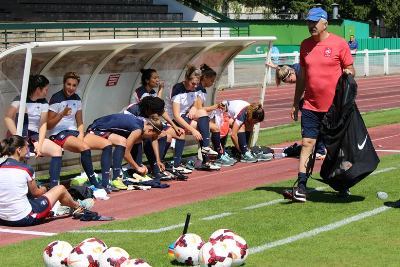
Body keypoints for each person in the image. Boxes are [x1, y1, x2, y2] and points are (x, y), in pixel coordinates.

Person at [286, 7, 355, 202]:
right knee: (308, 143)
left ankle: (342, 182)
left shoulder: (339, 44)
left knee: (335, 147)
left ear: (325, 23)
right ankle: (301, 186)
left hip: (334, 107)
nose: (311, 25)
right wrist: (294, 103)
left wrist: (347, 80)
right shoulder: (305, 45)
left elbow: (350, 70)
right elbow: (302, 77)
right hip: (310, 105)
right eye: (309, 22)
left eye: (314, 22)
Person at [0, 135, 93, 227]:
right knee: (60, 189)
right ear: (19, 150)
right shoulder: (26, 169)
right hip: (24, 218)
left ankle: (62, 206)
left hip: (3, 219)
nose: (28, 149)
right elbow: (36, 193)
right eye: (27, 147)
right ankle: (78, 206)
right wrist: (45, 188)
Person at [47, 72, 114, 192]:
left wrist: (81, 135)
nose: (71, 88)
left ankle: (105, 183)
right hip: (58, 134)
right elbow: (48, 125)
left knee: (107, 144)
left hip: (74, 132)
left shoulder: (77, 99)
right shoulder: (56, 98)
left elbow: (80, 122)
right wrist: (62, 114)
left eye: (74, 85)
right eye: (69, 84)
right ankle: (94, 183)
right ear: (64, 84)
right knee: (85, 147)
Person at [4, 75, 64, 188]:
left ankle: (54, 187)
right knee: (22, 155)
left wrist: (40, 145)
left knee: (57, 150)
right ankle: (23, 188)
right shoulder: (20, 99)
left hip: (34, 136)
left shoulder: (44, 103)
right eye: (46, 89)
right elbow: (8, 117)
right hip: (20, 135)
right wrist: (18, 137)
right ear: (38, 89)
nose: (47, 92)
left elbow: (43, 124)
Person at [87, 113, 168, 188]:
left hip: (102, 128)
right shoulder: (137, 130)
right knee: (121, 141)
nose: (150, 138)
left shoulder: (141, 125)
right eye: (152, 136)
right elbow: (126, 153)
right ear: (150, 130)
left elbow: (153, 139)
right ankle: (116, 178)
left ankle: (137, 173)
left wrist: (157, 160)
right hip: (95, 129)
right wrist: (137, 168)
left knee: (137, 140)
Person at [266, 61, 326, 159]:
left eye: (290, 81)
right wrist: (275, 66)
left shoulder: (299, 70)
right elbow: (283, 68)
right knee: (310, 114)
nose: (291, 83)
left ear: (292, 73)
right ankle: (321, 147)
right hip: (315, 92)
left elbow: (299, 89)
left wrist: (295, 105)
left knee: (310, 118)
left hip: (321, 91)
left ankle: (320, 149)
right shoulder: (292, 68)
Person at [166, 65, 219, 170]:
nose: (195, 86)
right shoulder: (178, 89)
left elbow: (195, 105)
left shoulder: (194, 89)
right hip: (174, 120)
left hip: (186, 117)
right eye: (193, 83)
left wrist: (193, 108)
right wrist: (192, 130)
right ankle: (203, 160)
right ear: (186, 79)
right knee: (201, 128)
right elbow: (176, 116)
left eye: (196, 84)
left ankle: (205, 149)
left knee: (202, 113)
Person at [195, 64, 235, 166]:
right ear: (204, 78)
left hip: (198, 116)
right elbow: (199, 109)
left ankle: (219, 153)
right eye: (211, 80)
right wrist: (215, 106)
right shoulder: (199, 90)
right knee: (215, 128)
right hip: (193, 117)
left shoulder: (202, 90)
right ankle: (219, 156)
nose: (213, 83)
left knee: (220, 124)